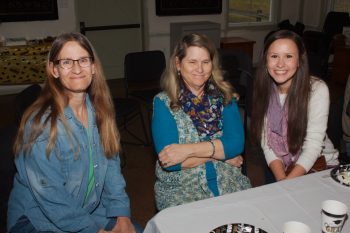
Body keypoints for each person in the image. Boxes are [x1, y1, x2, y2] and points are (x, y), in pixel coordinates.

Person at [7, 32, 142, 233]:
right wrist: (94, 231)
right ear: (54, 70)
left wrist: (122, 214)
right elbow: (51, 197)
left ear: (94, 67)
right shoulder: (41, 124)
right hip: (37, 219)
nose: (77, 68)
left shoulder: (101, 110)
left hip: (88, 207)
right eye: (67, 62)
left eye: (83, 60)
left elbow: (112, 168)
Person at [151, 33, 251, 211]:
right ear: (178, 64)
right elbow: (171, 161)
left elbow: (236, 145)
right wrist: (222, 155)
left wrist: (186, 150)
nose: (200, 69)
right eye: (192, 62)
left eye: (205, 62)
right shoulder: (163, 102)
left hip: (229, 180)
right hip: (181, 189)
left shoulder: (226, 97)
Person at [250, 30, 339, 183]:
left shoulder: (316, 89)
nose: (280, 64)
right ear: (265, 60)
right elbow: (267, 141)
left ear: (299, 61)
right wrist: (281, 179)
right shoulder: (264, 88)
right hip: (279, 166)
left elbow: (313, 145)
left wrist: (286, 183)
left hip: (317, 165)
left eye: (289, 56)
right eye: (274, 56)